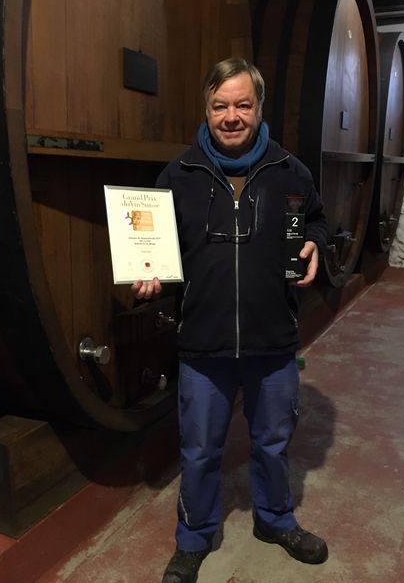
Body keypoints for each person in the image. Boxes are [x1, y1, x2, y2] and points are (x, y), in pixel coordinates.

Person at [132, 57, 329, 583]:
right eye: (220, 105)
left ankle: (275, 520)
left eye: (243, 104)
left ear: (259, 107)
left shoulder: (291, 170)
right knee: (199, 450)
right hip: (204, 340)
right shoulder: (178, 174)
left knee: (273, 442)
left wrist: (315, 240)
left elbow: (316, 219)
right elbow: (154, 245)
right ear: (206, 108)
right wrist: (148, 273)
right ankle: (194, 538)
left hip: (273, 338)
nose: (232, 116)